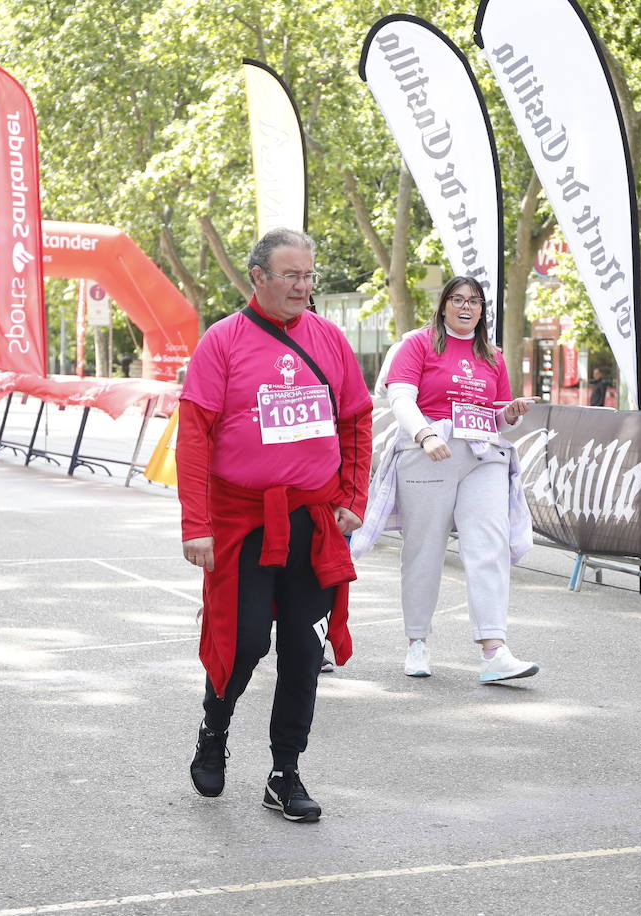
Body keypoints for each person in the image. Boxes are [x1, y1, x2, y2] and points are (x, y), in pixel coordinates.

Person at [179, 228, 372, 823]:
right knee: (246, 642)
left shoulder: (329, 340)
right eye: (291, 275)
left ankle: (285, 771)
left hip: (313, 525)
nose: (303, 286)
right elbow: (195, 434)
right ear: (256, 277)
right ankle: (215, 727)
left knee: (301, 647)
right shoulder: (223, 342)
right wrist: (196, 523)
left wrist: (353, 498)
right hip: (243, 522)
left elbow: (357, 423)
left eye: (309, 276)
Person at [355, 276, 539, 684]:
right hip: (429, 451)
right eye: (457, 299)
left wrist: (510, 414)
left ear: (482, 310)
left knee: (489, 542)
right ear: (443, 306)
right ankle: (417, 641)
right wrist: (424, 434)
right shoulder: (418, 344)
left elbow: (496, 414)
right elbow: (401, 397)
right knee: (424, 548)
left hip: (482, 454)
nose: (466, 307)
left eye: (474, 301)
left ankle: (494, 649)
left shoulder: (491, 355)